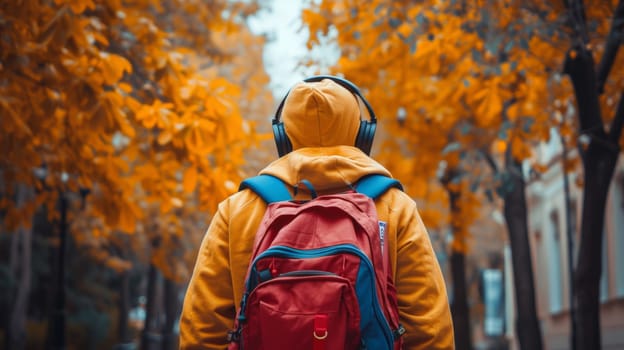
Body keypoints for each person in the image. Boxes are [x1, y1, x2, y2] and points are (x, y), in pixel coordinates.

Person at [179, 76, 454, 349]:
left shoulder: (238, 210)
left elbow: (201, 328)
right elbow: (430, 329)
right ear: (362, 134)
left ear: (283, 137)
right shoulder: (395, 208)